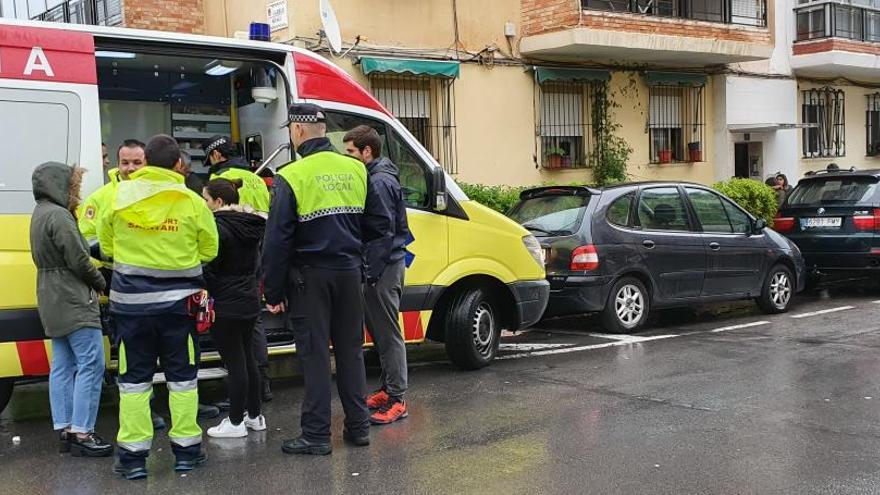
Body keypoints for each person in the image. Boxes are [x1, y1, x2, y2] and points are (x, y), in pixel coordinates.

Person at [100, 134, 218, 480]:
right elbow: (210, 249)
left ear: (146, 162)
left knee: (133, 382)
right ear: (178, 164)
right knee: (182, 380)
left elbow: (106, 244)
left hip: (131, 308)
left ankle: (134, 459)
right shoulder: (191, 200)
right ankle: (186, 453)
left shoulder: (119, 195)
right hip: (178, 309)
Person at [263, 103, 377, 455]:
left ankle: (315, 435)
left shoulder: (292, 175)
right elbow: (377, 225)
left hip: (310, 279)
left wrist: (273, 288)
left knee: (314, 356)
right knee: (350, 353)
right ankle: (358, 428)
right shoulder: (356, 169)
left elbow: (278, 238)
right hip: (349, 274)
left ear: (298, 131)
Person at [30, 162, 113, 458]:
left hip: (50, 296)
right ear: (60, 185)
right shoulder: (60, 215)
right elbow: (78, 260)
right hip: (73, 297)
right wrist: (100, 280)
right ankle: (83, 431)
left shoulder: (39, 213)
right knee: (92, 364)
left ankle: (66, 428)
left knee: (63, 365)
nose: (76, 192)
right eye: (73, 186)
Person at [343, 125, 411, 425]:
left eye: (351, 152)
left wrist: (370, 271)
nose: (348, 158)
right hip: (382, 264)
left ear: (367, 152)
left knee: (388, 333)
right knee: (382, 333)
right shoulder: (376, 176)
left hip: (383, 265)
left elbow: (381, 233)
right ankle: (388, 389)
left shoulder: (379, 182)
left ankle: (398, 399)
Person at [201, 178, 268, 438]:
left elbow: (211, 265)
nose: (203, 204)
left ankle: (236, 421)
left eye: (205, 199)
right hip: (249, 298)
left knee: (234, 361)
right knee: (248, 359)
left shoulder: (218, 227)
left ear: (218, 202)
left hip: (225, 302)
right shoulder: (251, 225)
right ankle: (255, 415)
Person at [203, 136, 271, 213]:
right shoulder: (257, 178)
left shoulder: (218, 178)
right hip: (263, 223)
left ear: (216, 154)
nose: (211, 164)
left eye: (210, 160)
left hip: (235, 223)